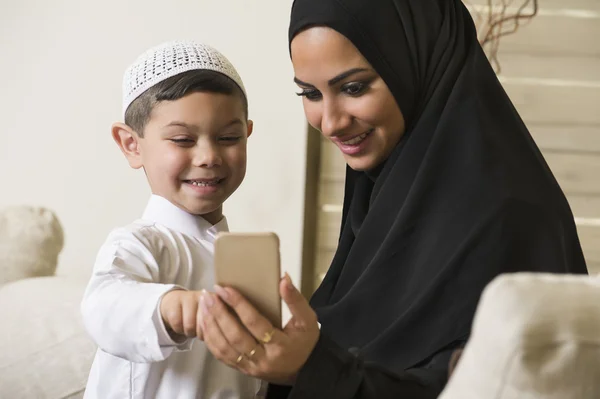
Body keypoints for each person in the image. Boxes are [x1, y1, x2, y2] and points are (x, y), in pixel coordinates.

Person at [196, 0, 588, 397]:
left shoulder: (509, 216)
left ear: (419, 62)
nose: (330, 122)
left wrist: (314, 368)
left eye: (353, 87)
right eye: (310, 93)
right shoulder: (385, 199)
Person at [80, 40, 259, 399]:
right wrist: (175, 310)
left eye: (228, 137)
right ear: (132, 144)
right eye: (182, 139)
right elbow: (104, 309)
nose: (208, 156)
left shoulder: (246, 257)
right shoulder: (139, 244)